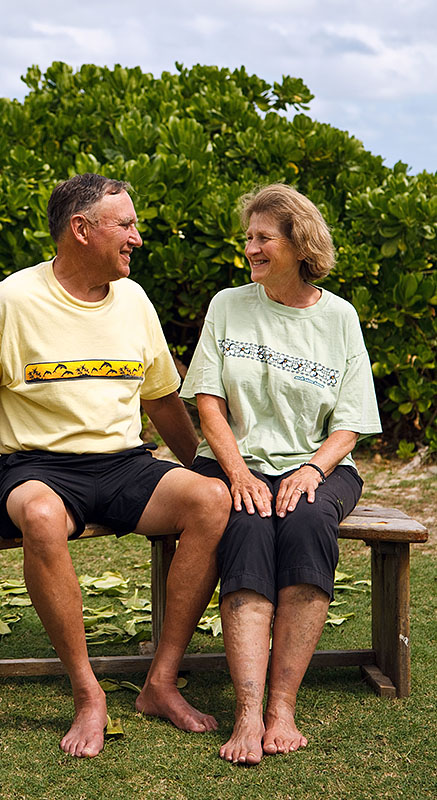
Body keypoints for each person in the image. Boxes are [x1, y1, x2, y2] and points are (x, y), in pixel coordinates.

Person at [0, 173, 231, 758]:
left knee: (212, 501)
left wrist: (203, 468)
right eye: (127, 225)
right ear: (81, 230)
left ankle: (160, 682)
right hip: (37, 467)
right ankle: (89, 694)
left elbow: (162, 397)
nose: (138, 237)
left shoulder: (134, 300)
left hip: (123, 463)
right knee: (39, 516)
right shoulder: (8, 302)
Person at [180, 183, 382, 765]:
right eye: (249, 239)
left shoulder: (339, 317)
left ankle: (282, 707)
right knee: (244, 523)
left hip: (320, 464)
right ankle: (247, 713)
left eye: (263, 238)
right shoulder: (228, 304)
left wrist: (313, 470)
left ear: (299, 243)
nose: (251, 249)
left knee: (307, 521)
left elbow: (351, 422)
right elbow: (209, 402)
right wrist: (237, 471)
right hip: (234, 461)